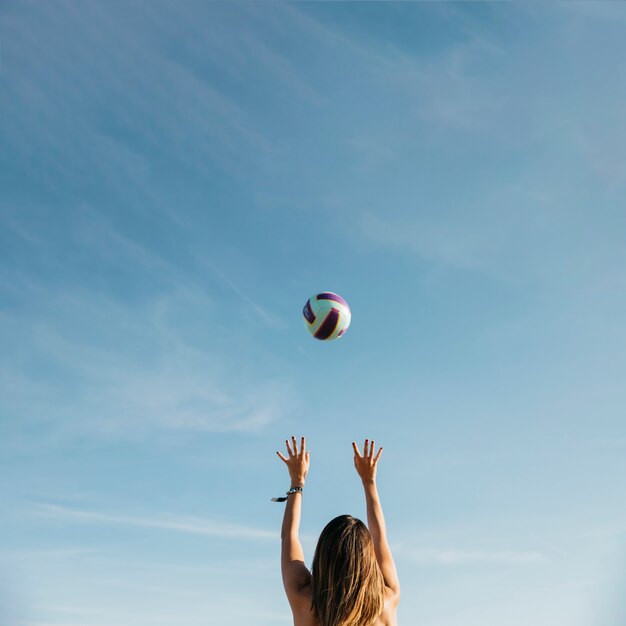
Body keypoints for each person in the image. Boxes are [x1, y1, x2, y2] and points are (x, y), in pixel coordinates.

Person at [275, 436, 400, 626]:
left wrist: (297, 482)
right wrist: (369, 481)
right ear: (367, 557)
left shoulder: (305, 600)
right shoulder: (386, 600)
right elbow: (380, 537)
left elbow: (288, 536)